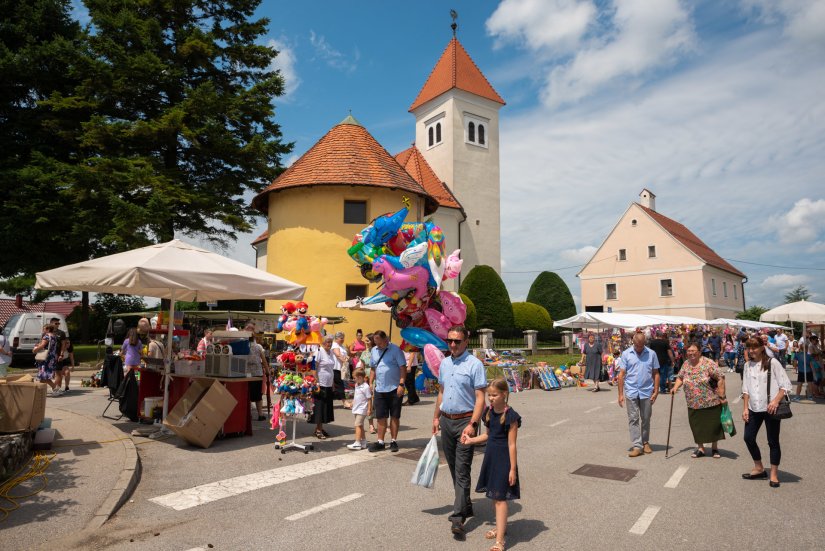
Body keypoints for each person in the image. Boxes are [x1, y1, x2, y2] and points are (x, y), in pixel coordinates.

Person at [432, 325, 487, 540]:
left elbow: (480, 397)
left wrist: (473, 424)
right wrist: (436, 417)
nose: (452, 344)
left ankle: (458, 517)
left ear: (466, 342)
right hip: (447, 421)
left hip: (466, 422)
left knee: (463, 468)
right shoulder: (445, 364)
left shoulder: (475, 364)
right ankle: (466, 505)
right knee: (454, 468)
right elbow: (442, 392)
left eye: (457, 341)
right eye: (450, 341)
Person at [462, 378, 520, 551]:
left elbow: (512, 444)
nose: (491, 398)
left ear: (504, 394)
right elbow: (488, 435)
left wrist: (512, 469)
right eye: (489, 395)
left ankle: (500, 541)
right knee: (496, 498)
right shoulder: (489, 411)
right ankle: (500, 527)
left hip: (504, 460)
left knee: (501, 499)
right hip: (491, 458)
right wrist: (471, 440)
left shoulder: (510, 416)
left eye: (494, 395)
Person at [741, 336, 792, 487]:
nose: (751, 351)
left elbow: (786, 385)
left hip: (771, 408)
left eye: (754, 347)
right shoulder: (747, 365)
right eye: (749, 348)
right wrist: (745, 408)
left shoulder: (772, 362)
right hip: (753, 408)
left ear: (762, 347)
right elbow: (745, 389)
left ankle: (774, 474)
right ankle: (759, 468)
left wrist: (775, 401)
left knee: (773, 441)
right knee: (748, 438)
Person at [670, 342, 727, 458]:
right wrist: (675, 387)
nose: (691, 353)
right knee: (696, 426)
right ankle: (700, 448)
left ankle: (714, 448)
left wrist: (722, 395)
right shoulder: (686, 364)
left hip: (710, 400)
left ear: (699, 352)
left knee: (713, 425)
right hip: (692, 401)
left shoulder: (708, 363)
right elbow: (680, 377)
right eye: (689, 351)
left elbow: (720, 377)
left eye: (693, 351)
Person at [618, 332, 660, 457]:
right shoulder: (626, 354)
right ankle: (637, 445)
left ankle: (645, 441)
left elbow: (656, 373)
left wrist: (656, 390)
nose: (639, 348)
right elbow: (621, 375)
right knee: (633, 419)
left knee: (646, 418)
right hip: (631, 391)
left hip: (646, 391)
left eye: (642, 345)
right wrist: (620, 394)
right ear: (633, 342)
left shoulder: (651, 354)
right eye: (637, 345)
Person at [368, 330, 406, 453]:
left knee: (394, 416)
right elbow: (373, 367)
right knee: (380, 416)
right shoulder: (374, 351)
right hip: (380, 388)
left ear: (386, 340)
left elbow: (403, 367)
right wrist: (370, 382)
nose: (377, 345)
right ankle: (380, 441)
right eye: (375, 343)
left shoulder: (396, 350)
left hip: (394, 388)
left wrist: (401, 384)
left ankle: (393, 441)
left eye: (379, 343)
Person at [309, 336, 335, 439]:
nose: (330, 344)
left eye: (331, 342)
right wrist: (316, 381)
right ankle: (318, 430)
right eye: (328, 342)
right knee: (320, 407)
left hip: (328, 383)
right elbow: (313, 367)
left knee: (326, 407)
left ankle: (319, 428)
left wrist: (332, 382)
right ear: (323, 342)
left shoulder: (331, 353)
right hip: (321, 383)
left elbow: (331, 368)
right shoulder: (319, 351)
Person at [32, 324, 61, 395]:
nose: (43, 330)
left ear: (48, 329)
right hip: (52, 357)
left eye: (44, 329)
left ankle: (55, 388)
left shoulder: (46, 336)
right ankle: (41, 391)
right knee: (43, 376)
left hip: (46, 358)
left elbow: (43, 345)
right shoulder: (54, 336)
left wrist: (35, 350)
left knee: (44, 375)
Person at [347, 368, 372, 450]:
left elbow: (369, 399)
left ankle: (357, 443)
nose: (354, 379)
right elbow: (356, 396)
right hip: (356, 408)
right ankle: (364, 442)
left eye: (354, 378)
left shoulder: (366, 387)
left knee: (357, 425)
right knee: (360, 425)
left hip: (362, 409)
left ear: (360, 377)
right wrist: (352, 403)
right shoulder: (357, 385)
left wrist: (369, 409)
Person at [246, 334, 269, 421]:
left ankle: (248, 415)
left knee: (248, 394)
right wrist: (267, 371)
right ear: (254, 338)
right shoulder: (258, 347)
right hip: (257, 373)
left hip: (246, 373)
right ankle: (260, 414)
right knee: (258, 395)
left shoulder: (244, 346)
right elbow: (263, 360)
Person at [331, 332, 351, 408]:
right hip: (335, 368)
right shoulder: (335, 345)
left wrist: (347, 357)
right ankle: (344, 402)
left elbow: (343, 355)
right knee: (340, 385)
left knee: (337, 385)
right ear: (336, 338)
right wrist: (344, 360)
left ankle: (331, 401)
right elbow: (338, 355)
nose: (343, 339)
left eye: (343, 338)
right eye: (341, 338)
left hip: (340, 368)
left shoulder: (341, 346)